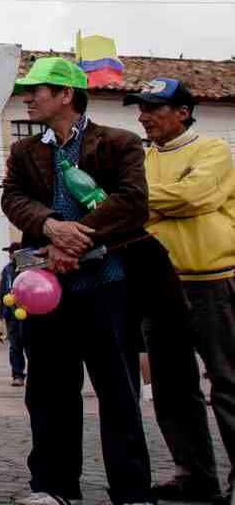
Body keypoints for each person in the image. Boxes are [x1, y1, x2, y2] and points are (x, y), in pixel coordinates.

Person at [0, 56, 155, 505]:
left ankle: (132, 490)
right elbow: (13, 198)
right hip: (45, 291)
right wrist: (51, 227)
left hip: (105, 284)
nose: (28, 97)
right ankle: (53, 486)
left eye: (37, 90)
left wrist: (74, 242)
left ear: (66, 94)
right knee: (48, 391)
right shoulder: (25, 150)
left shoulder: (119, 143)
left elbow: (132, 203)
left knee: (118, 391)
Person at [127, 77, 235, 503]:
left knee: (227, 383)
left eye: (153, 109)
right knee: (172, 389)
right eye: (142, 109)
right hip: (158, 285)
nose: (144, 117)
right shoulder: (143, 158)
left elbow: (197, 195)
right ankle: (194, 474)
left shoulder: (213, 150)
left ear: (183, 112)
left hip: (211, 281)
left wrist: (142, 202)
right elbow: (135, 203)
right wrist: (150, 202)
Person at [0, 247, 27, 386]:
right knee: (15, 345)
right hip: (11, 313)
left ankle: (37, 375)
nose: (10, 255)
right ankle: (17, 374)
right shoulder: (6, 270)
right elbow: (0, 288)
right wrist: (1, 310)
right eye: (9, 252)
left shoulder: (27, 267)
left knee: (31, 344)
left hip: (27, 311)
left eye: (13, 252)